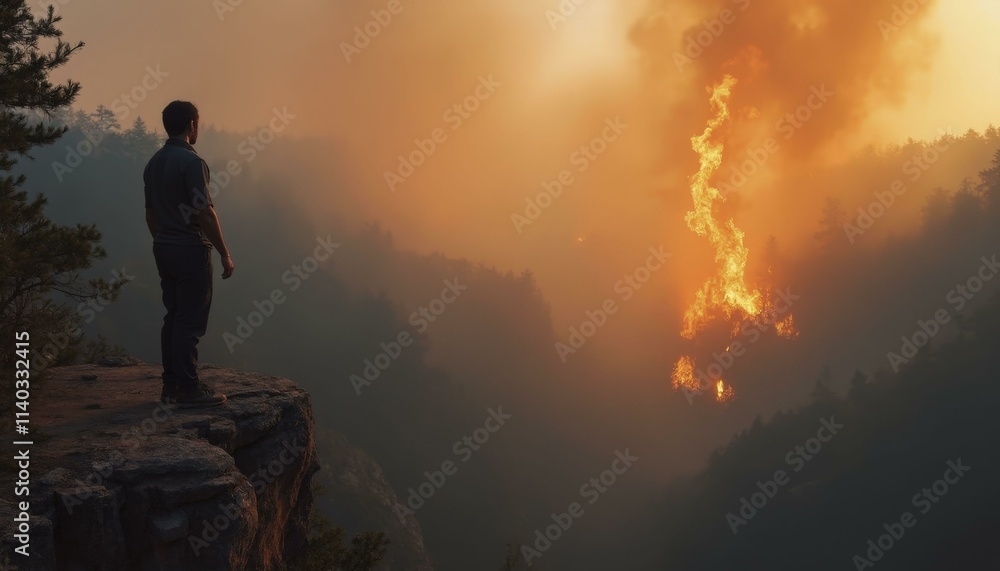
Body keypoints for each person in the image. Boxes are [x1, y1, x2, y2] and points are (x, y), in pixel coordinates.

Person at [144, 100, 234, 407]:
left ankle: (171, 387)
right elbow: (204, 213)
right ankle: (187, 389)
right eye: (199, 123)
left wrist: (164, 241)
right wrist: (224, 252)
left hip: (163, 247)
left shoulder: (154, 163)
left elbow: (151, 215)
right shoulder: (192, 163)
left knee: (173, 315)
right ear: (192, 126)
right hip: (190, 249)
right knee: (190, 320)